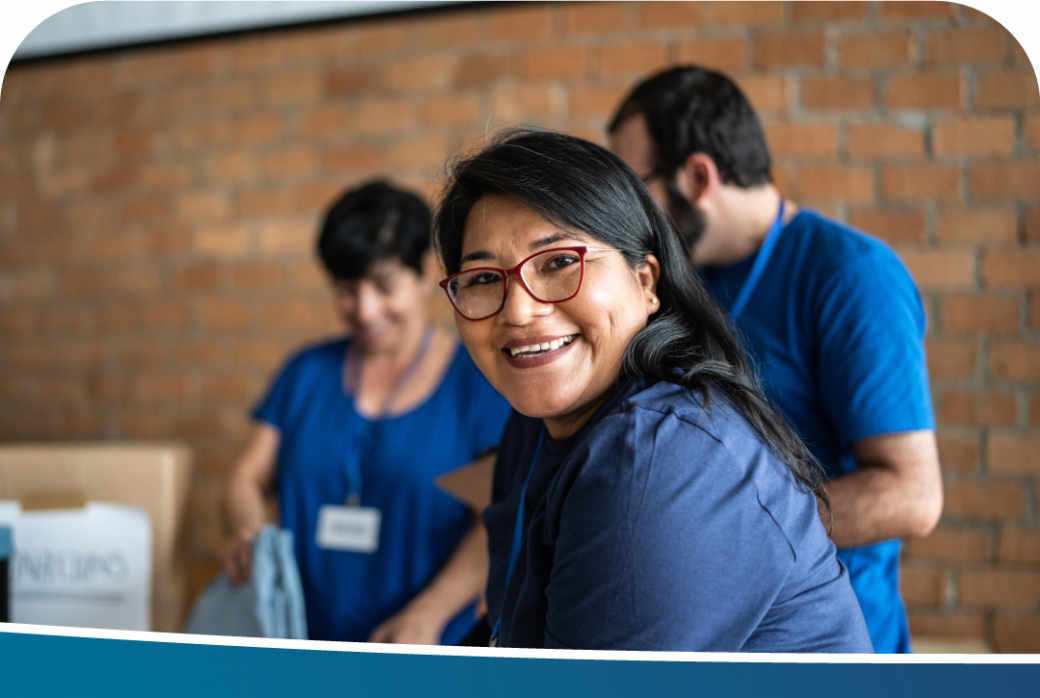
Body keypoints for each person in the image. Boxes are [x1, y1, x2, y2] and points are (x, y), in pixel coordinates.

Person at [433, 129, 873, 652]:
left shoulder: (658, 452)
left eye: (558, 262)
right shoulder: (532, 428)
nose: (519, 311)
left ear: (646, 282)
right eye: (483, 278)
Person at [608, 66, 943, 653]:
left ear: (698, 175)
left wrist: (722, 531)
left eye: (639, 192)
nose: (631, 222)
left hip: (824, 647)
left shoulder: (850, 274)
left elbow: (912, 495)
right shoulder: (683, 280)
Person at [223, 181, 512, 645]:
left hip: (421, 648)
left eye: (382, 285)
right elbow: (246, 477)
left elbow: (498, 520)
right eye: (346, 289)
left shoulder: (476, 382)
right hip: (297, 638)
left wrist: (430, 612)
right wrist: (248, 528)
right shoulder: (305, 372)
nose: (364, 309)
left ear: (423, 271)